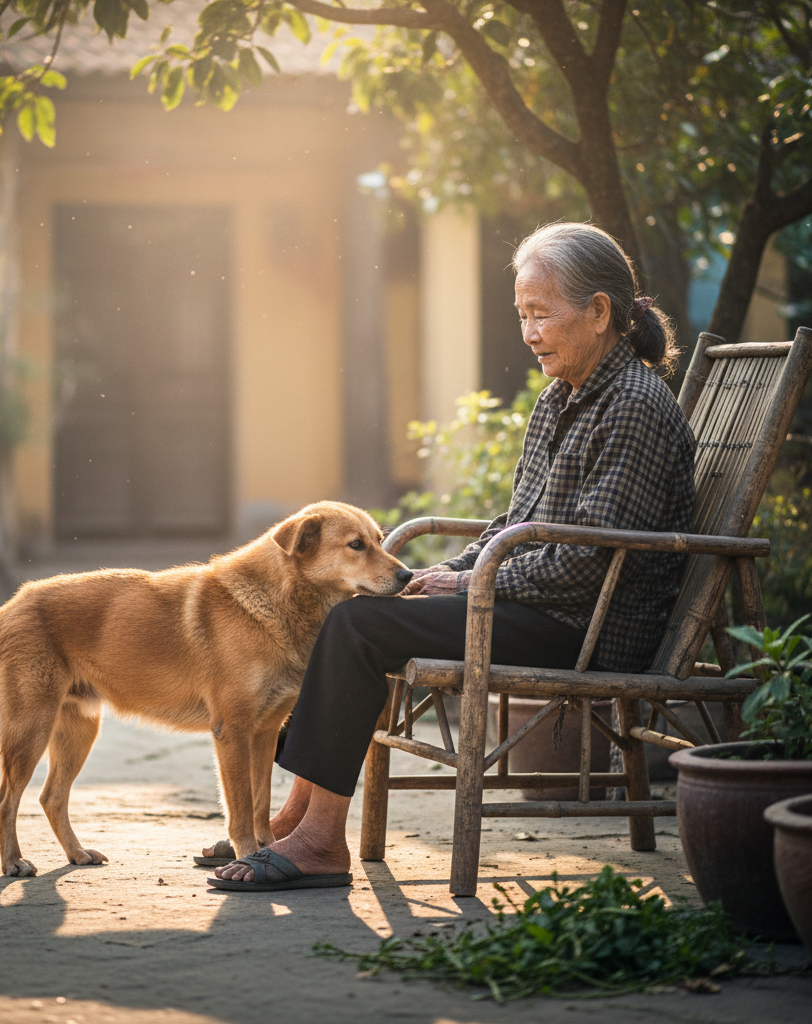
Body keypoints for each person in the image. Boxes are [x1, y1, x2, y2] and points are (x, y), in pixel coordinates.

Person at [209, 221, 697, 891]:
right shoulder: (566, 396)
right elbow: (515, 523)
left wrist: (474, 584)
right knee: (372, 606)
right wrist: (457, 573)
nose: (528, 332)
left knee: (358, 626)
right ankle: (298, 822)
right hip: (542, 606)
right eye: (521, 315)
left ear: (600, 312)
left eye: (540, 314)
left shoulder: (632, 407)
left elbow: (589, 560)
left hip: (589, 629)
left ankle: (318, 841)